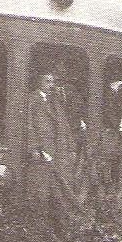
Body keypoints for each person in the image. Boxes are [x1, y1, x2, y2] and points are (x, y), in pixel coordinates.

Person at [25, 71, 79, 222]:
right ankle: (38, 221)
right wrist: (34, 148)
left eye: (53, 82)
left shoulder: (55, 101)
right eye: (47, 81)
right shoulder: (32, 100)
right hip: (44, 148)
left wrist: (71, 148)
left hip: (59, 148)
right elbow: (29, 125)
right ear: (39, 83)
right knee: (40, 186)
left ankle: (60, 220)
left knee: (61, 185)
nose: (51, 85)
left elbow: (65, 125)